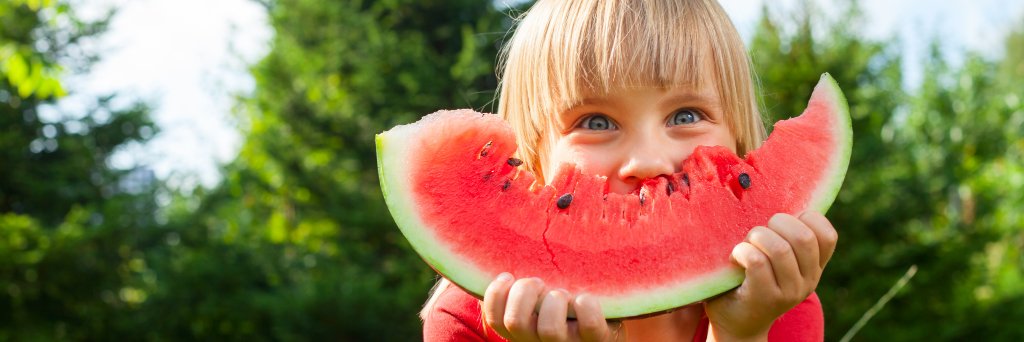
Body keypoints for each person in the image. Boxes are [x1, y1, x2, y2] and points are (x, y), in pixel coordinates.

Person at [421, 0, 838, 341]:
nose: (649, 160)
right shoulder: (464, 319)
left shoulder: (778, 301)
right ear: (530, 155)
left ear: (740, 140)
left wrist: (743, 335)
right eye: (596, 122)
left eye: (686, 114)